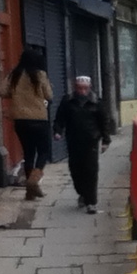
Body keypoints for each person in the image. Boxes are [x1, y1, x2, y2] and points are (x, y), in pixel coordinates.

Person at [0, 49, 54, 200]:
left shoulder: (14, 74)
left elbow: (1, 91)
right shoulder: (40, 75)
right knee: (43, 151)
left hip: (21, 121)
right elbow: (49, 95)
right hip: (39, 119)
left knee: (28, 152)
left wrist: (16, 95)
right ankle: (34, 181)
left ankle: (30, 193)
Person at [53, 76, 111, 214]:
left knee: (91, 170)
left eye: (85, 88)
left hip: (91, 140)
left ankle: (91, 202)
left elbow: (104, 122)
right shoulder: (67, 101)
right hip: (73, 140)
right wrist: (57, 131)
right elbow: (60, 118)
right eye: (79, 88)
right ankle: (82, 193)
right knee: (75, 170)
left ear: (90, 87)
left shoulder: (96, 102)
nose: (82, 91)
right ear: (75, 87)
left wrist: (105, 140)